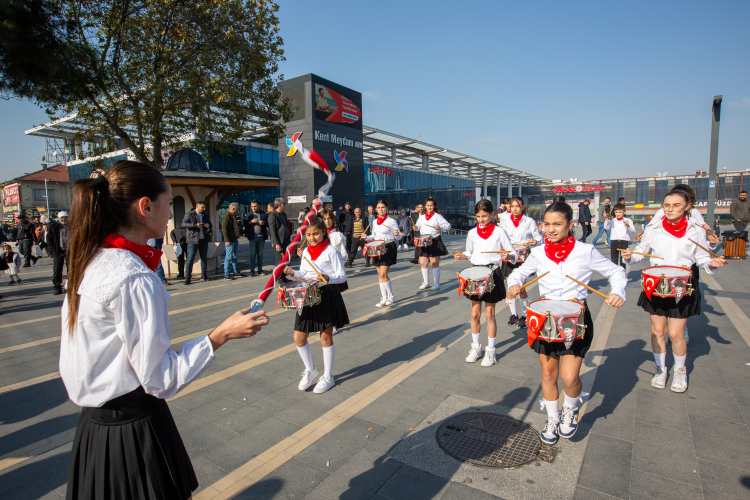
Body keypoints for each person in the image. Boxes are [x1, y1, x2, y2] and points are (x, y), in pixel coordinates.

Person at [59, 160, 269, 499]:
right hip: (133, 432)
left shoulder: (91, 260)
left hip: (95, 428)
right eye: (168, 204)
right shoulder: (134, 277)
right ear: (145, 206)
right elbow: (160, 379)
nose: (170, 214)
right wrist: (220, 335)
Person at [507, 201, 626, 445]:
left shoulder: (586, 251)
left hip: (575, 318)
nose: (550, 229)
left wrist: (618, 292)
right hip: (545, 318)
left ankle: (569, 410)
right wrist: (513, 284)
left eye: (557, 224)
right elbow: (519, 273)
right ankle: (552, 418)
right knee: (549, 374)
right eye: (547, 224)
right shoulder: (538, 253)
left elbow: (616, 272)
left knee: (570, 377)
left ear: (570, 225)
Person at [622, 190, 725, 394]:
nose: (670, 209)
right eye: (667, 205)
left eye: (676, 205)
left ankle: (680, 370)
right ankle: (660, 369)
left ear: (687, 206)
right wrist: (628, 257)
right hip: (657, 284)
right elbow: (640, 251)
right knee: (658, 331)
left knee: (676, 333)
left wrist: (712, 263)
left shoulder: (695, 230)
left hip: (682, 284)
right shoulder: (654, 227)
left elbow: (702, 258)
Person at [283, 217, 348, 394]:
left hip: (326, 295)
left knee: (325, 338)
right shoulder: (305, 253)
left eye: (316, 234)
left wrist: (328, 278)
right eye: (309, 234)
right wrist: (293, 272)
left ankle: (328, 376)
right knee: (299, 337)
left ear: (323, 233)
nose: (312, 238)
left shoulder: (331, 252)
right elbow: (304, 273)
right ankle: (310, 369)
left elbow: (342, 276)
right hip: (307, 296)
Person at [454, 200, 516, 367]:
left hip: (492, 273)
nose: (481, 219)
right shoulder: (472, 233)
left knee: (489, 315)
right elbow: (470, 251)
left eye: (485, 216)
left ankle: (491, 351)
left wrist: (506, 255)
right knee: (475, 314)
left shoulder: (499, 232)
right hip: (475, 273)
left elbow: (514, 255)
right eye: (478, 216)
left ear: (492, 214)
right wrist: (462, 256)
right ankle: (475, 348)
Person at [499, 197, 543, 327]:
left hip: (523, 255)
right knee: (510, 285)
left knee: (521, 286)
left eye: (517, 206)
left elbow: (538, 238)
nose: (514, 208)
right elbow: (501, 237)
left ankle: (524, 315)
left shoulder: (529, 221)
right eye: (512, 206)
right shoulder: (505, 220)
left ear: (523, 207)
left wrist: (536, 242)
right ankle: (514, 314)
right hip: (509, 254)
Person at [366, 199, 401, 306]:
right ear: (376, 209)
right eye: (379, 208)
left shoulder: (392, 221)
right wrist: (366, 237)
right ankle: (383, 297)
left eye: (383, 207)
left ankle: (391, 295)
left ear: (386, 208)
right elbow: (374, 236)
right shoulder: (375, 221)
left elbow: (399, 237)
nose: (381, 209)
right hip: (377, 248)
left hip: (388, 247)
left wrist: (396, 234)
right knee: (379, 275)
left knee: (383, 273)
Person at [414, 197, 451, 290]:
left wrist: (440, 227)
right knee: (423, 263)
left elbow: (448, 226)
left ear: (434, 206)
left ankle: (436, 283)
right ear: (425, 206)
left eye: (431, 205)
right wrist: (415, 227)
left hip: (434, 240)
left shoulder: (437, 216)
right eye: (428, 205)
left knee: (434, 263)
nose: (429, 207)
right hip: (423, 240)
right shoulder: (421, 217)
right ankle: (426, 282)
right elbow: (418, 226)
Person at [182, 201, 212, 284]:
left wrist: (208, 225)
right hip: (192, 240)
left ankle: (204, 275)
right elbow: (184, 224)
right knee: (190, 258)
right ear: (197, 206)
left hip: (203, 239)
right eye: (202, 207)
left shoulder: (205, 215)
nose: (204, 209)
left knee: (204, 257)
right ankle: (187, 277)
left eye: (204, 207)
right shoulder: (189, 214)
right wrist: (195, 225)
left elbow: (210, 224)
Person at [604, 203, 634, 269]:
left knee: (623, 261)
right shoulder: (612, 220)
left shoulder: (628, 220)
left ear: (624, 212)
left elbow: (633, 231)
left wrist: (628, 225)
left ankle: (622, 275)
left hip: (624, 242)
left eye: (620, 212)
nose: (618, 214)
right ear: (614, 212)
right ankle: (615, 276)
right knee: (614, 260)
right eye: (616, 212)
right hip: (614, 242)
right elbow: (606, 227)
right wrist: (607, 218)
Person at [47, 211, 70, 294]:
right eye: (62, 217)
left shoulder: (72, 226)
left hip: (69, 250)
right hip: (58, 250)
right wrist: (53, 249)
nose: (64, 219)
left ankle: (69, 286)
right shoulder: (54, 226)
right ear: (58, 218)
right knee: (57, 269)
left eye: (65, 217)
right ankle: (57, 287)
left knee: (71, 269)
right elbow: (49, 238)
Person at [268, 197, 291, 281]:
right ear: (279, 205)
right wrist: (276, 243)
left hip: (286, 240)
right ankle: (279, 277)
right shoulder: (272, 215)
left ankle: (283, 275)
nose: (285, 205)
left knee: (287, 259)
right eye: (283, 203)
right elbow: (272, 230)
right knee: (279, 260)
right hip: (279, 241)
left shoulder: (283, 214)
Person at [244, 199, 268, 276]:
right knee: (252, 254)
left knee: (260, 254)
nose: (253, 208)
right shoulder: (248, 214)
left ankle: (260, 269)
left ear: (259, 206)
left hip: (261, 237)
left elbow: (268, 223)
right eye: (252, 207)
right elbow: (245, 224)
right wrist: (251, 222)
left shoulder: (263, 214)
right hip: (252, 237)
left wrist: (263, 223)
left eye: (255, 206)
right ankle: (252, 270)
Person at [221, 202, 244, 280]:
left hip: (234, 239)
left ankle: (236, 271)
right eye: (237, 209)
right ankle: (226, 273)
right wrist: (227, 240)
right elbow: (224, 229)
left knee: (234, 256)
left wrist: (236, 234)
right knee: (228, 257)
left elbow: (234, 227)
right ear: (233, 209)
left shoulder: (233, 216)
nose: (238, 210)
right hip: (230, 241)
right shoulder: (226, 216)